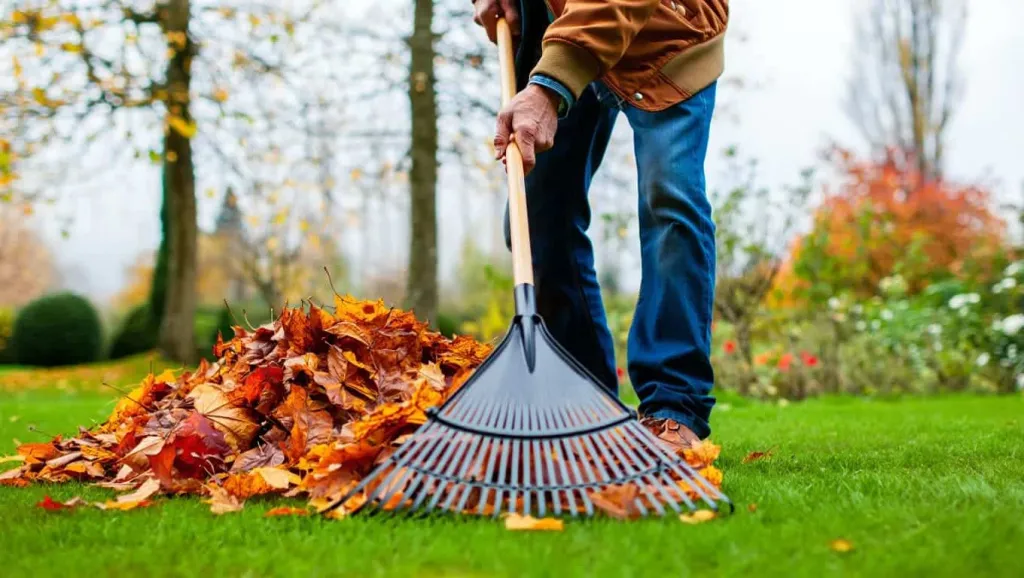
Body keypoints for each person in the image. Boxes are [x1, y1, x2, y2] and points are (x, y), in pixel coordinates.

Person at [473, 0, 729, 452]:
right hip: (558, 26)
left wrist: (550, 85)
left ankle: (673, 406)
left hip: (665, 32)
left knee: (669, 197)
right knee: (535, 220)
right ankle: (586, 411)